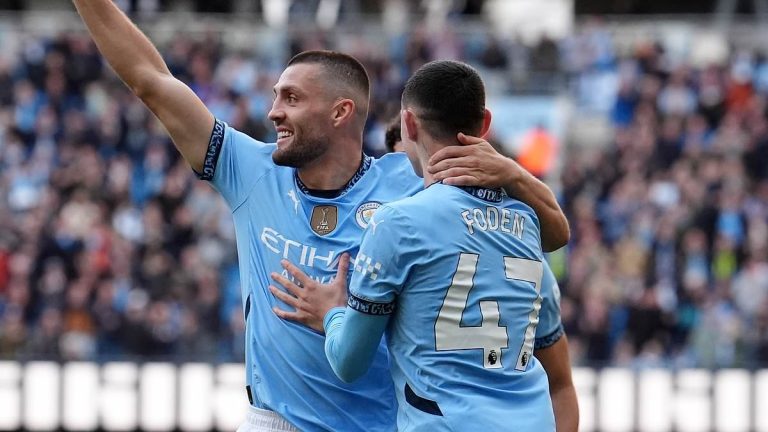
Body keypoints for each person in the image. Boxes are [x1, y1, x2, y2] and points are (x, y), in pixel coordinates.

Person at [72, 2, 570, 430]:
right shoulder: (248, 169)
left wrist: (513, 174)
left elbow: (542, 232)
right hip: (276, 419)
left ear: (340, 112)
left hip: (385, 422)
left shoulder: (413, 184)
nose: (273, 112)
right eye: (274, 97)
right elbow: (151, 82)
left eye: (291, 98)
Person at [270, 60, 576, 431]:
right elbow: (558, 234)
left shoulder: (397, 222)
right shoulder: (529, 222)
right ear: (485, 124)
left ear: (409, 125)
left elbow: (348, 362)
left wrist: (333, 313)